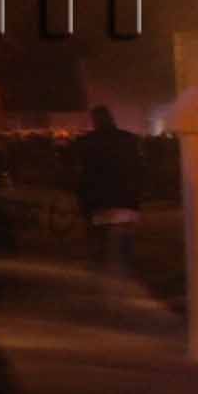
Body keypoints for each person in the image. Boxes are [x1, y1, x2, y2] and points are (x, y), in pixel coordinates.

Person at [73, 104, 146, 283]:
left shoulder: (87, 142)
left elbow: (83, 173)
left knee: (100, 241)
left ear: (95, 121)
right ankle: (125, 275)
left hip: (98, 200)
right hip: (126, 198)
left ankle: (103, 275)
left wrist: (82, 200)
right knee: (124, 241)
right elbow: (139, 169)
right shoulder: (129, 139)